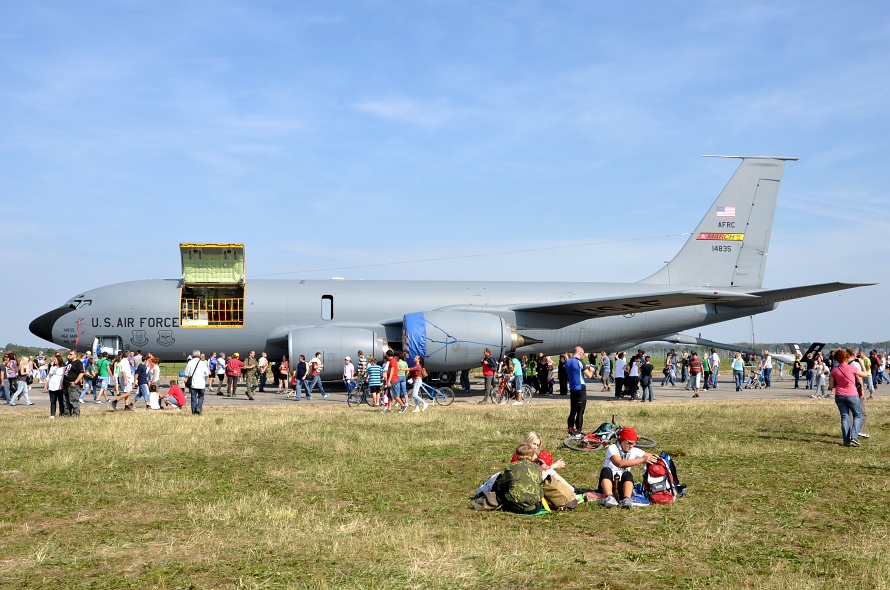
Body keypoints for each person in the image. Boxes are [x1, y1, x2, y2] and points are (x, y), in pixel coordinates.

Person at [598, 427, 658, 509]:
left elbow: (651, 456)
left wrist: (656, 457)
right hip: (608, 482)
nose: (631, 446)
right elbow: (619, 463)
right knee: (606, 470)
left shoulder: (634, 450)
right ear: (621, 440)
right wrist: (642, 460)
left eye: (633, 444)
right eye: (629, 443)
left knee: (628, 474)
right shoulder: (613, 448)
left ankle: (627, 499)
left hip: (621, 485)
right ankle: (609, 496)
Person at [828, 349, 868, 446]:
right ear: (846, 358)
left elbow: (831, 386)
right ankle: (854, 436)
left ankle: (846, 441)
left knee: (845, 417)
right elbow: (865, 374)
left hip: (839, 395)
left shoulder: (834, 370)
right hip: (852, 394)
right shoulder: (851, 368)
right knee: (858, 415)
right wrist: (862, 364)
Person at [495, 443, 544, 515]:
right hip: (533, 509)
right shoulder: (537, 468)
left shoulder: (510, 467)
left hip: (513, 507)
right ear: (532, 455)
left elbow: (501, 486)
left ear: (517, 455)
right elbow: (540, 487)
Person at [566, 346, 596, 435]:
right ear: (580, 353)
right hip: (580, 387)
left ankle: (570, 430)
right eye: (583, 354)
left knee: (572, 411)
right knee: (580, 411)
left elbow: (575, 371)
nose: (583, 356)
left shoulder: (568, 362)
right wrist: (592, 370)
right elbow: (589, 376)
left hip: (572, 387)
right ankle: (578, 431)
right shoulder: (580, 362)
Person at [184, 350, 210, 415]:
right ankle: (199, 407)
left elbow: (186, 373)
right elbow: (207, 373)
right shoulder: (203, 363)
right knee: (201, 397)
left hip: (193, 383)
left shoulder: (190, 363)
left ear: (192, 355)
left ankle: (193, 412)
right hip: (201, 383)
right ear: (199, 355)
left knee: (193, 398)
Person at [61, 350, 84, 416]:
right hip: (66, 384)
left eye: (71, 354)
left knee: (73, 400)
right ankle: (66, 413)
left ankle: (76, 414)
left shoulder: (78, 363)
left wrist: (75, 382)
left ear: (75, 355)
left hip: (73, 385)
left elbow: (81, 373)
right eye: (69, 354)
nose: (69, 355)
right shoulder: (69, 362)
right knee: (65, 400)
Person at [44, 353, 65, 418]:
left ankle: (61, 413)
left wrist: (61, 384)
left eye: (55, 359)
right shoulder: (52, 367)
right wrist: (45, 385)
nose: (54, 361)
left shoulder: (63, 368)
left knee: (61, 401)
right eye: (54, 359)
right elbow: (48, 376)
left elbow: (63, 377)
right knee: (52, 401)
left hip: (59, 386)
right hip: (52, 386)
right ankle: (52, 414)